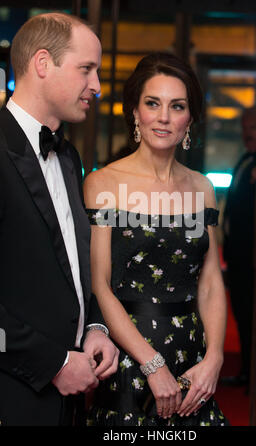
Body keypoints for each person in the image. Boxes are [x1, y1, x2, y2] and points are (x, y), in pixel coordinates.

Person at [84, 52, 228, 426]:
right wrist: (152, 365)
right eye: (153, 103)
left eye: (176, 106)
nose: (164, 117)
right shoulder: (103, 184)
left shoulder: (203, 187)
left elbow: (211, 282)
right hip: (129, 359)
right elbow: (100, 285)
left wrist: (214, 358)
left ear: (190, 118)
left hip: (194, 365)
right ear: (135, 111)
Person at [0, 12, 119, 426]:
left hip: (67, 404)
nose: (98, 87)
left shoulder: (68, 156)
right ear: (42, 64)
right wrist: (52, 363)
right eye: (86, 69)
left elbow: (73, 260)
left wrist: (97, 327)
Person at [222, 106, 256, 387]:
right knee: (241, 314)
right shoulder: (245, 160)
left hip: (254, 257)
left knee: (250, 316)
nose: (247, 133)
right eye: (245, 127)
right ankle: (248, 370)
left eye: (254, 127)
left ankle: (254, 373)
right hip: (237, 256)